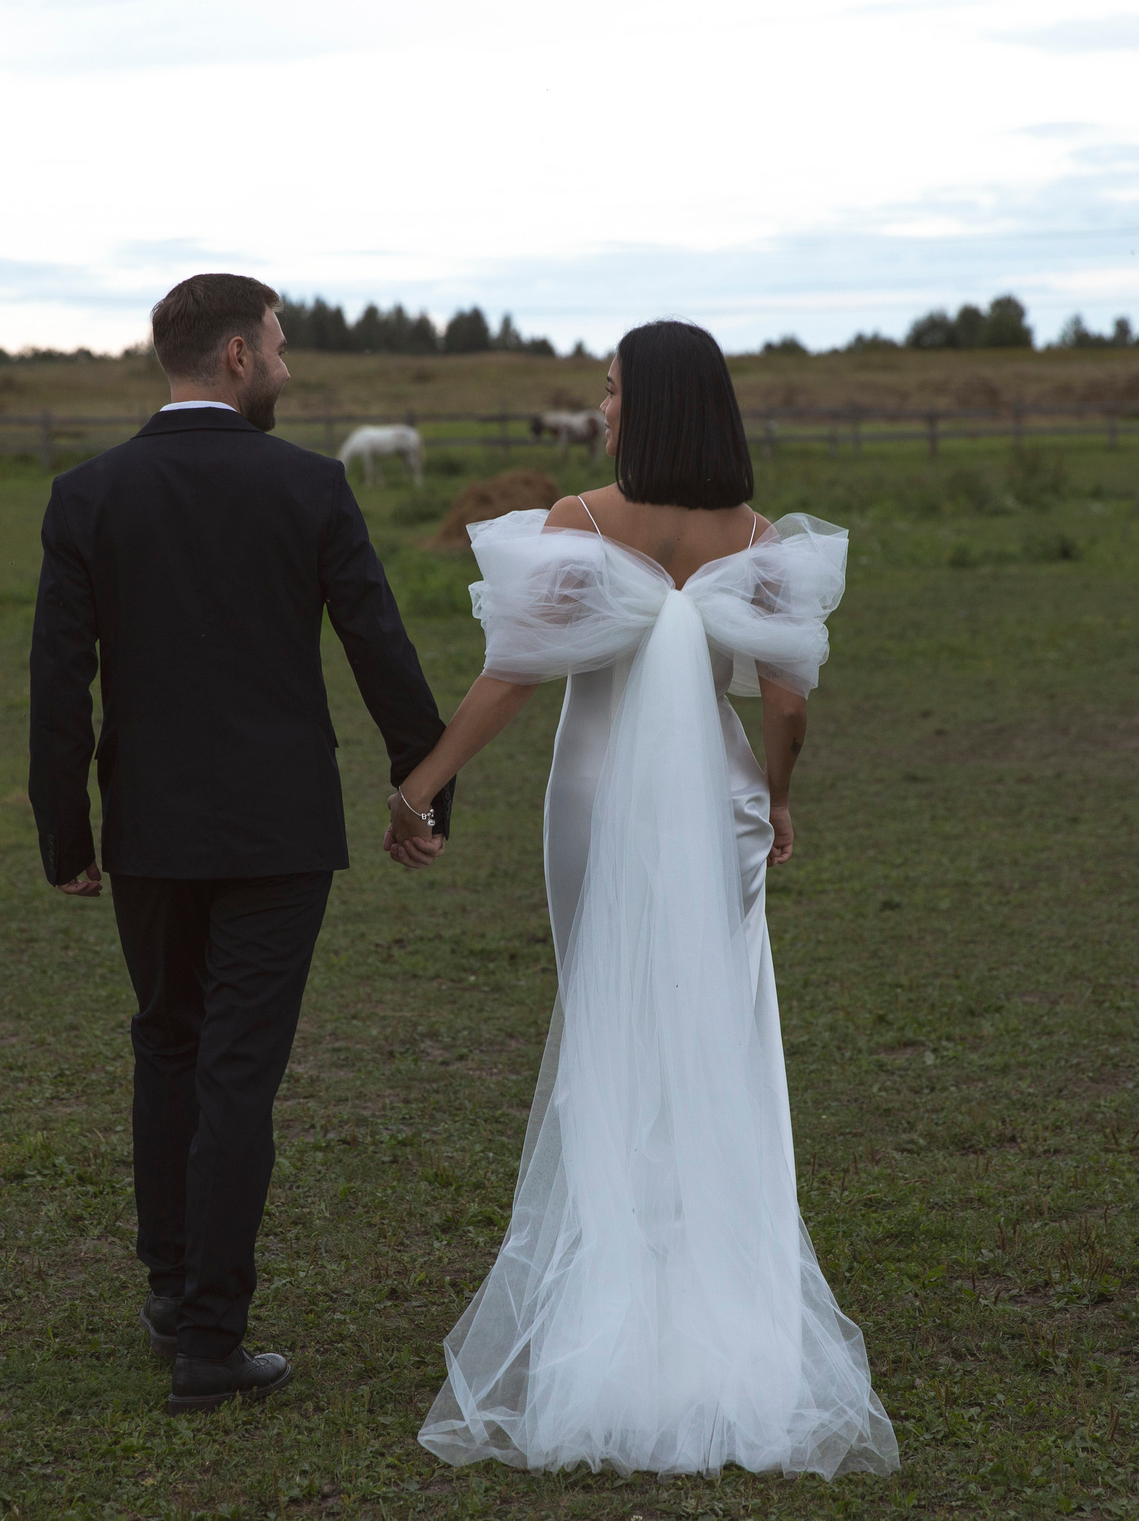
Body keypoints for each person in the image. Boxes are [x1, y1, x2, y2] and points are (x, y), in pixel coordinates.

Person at [383, 320, 898, 1479]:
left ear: (652, 407)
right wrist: (773, 799)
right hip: (720, 804)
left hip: (598, 793)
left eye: (612, 392)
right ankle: (723, 1307)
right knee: (714, 1029)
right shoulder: (759, 539)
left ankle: (610, 1304)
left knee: (610, 1029)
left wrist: (422, 784)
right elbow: (789, 704)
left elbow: (511, 672)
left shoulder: (581, 522)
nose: (600, 407)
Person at [28, 273, 453, 1415]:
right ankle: (207, 1339)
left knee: (167, 1046)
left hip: (152, 829)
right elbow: (378, 644)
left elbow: (59, 682)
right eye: (275, 344)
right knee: (235, 1074)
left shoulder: (90, 494)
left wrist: (65, 831)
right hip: (276, 831)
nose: (285, 363)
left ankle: (173, 1292)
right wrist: (425, 788)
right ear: (231, 358)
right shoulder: (307, 487)